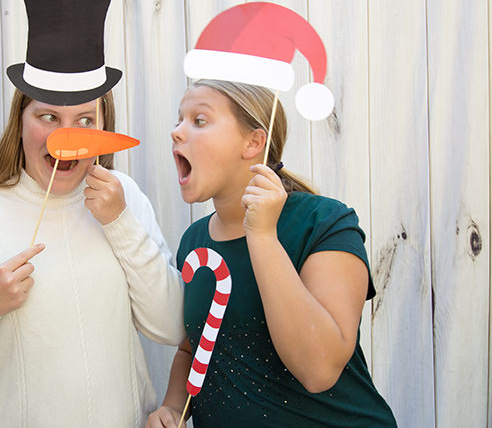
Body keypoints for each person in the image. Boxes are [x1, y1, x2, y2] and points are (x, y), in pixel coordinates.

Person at [0, 0, 184, 427]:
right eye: (48, 117)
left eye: (84, 120)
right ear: (21, 121)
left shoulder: (124, 197)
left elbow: (171, 327)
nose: (65, 139)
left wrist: (120, 222)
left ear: (104, 126)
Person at [146, 79, 396, 427]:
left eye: (199, 120)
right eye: (179, 120)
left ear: (253, 142)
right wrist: (174, 406)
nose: (176, 132)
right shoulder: (194, 241)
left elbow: (319, 368)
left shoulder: (322, 221)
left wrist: (262, 236)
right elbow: (194, 348)